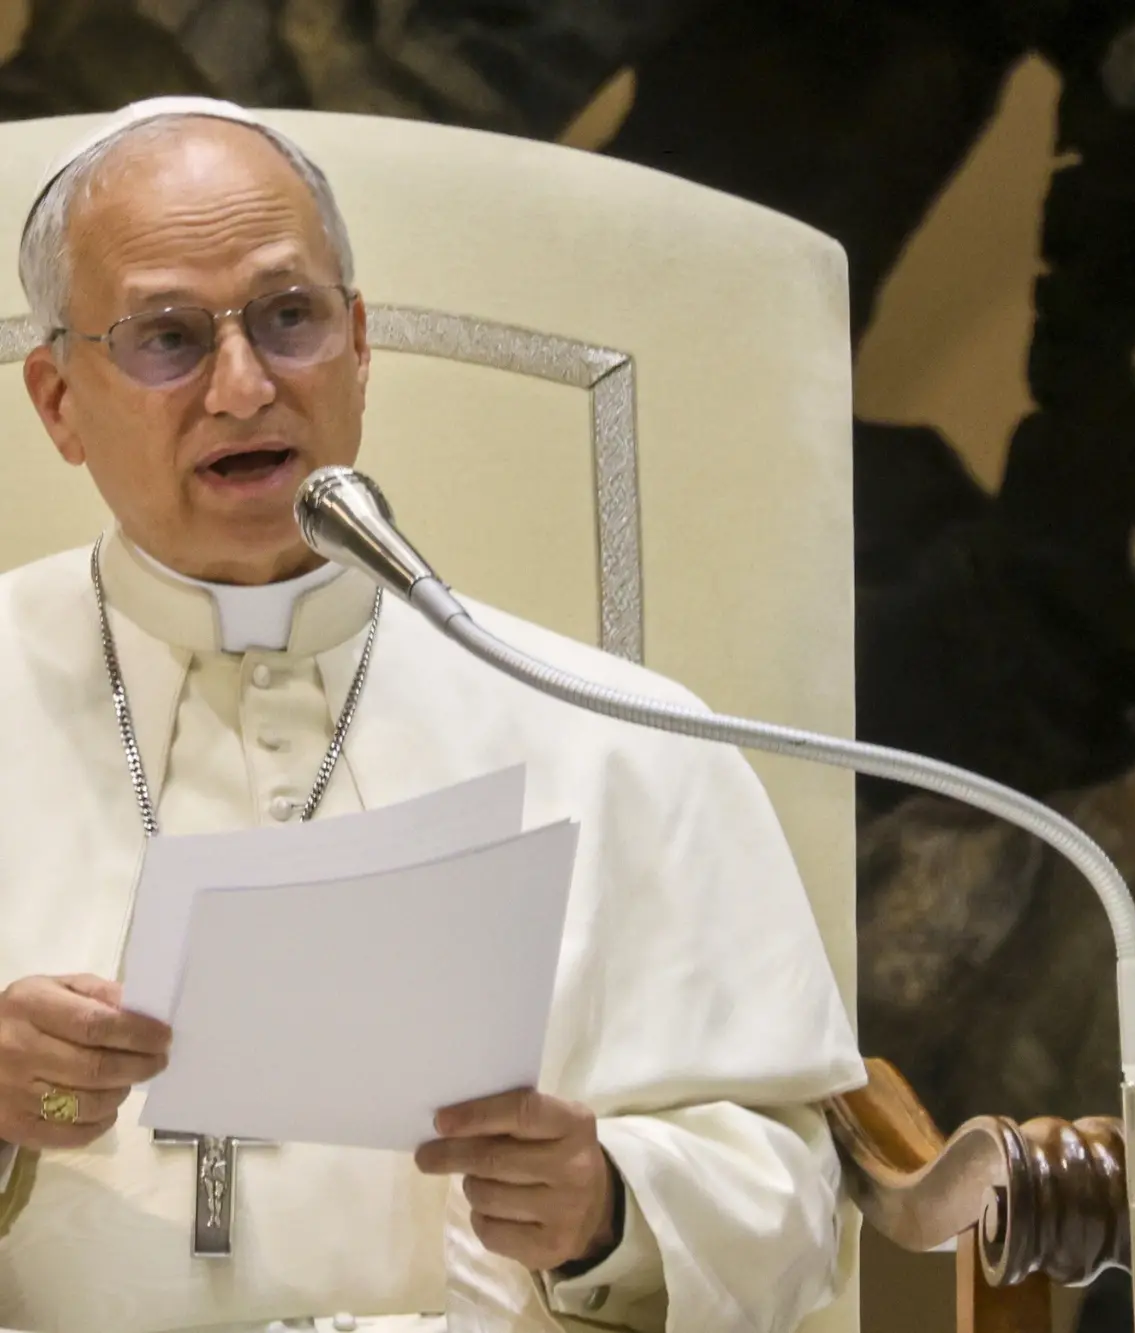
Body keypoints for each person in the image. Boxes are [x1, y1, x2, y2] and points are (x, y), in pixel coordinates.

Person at [0, 97, 865, 1333]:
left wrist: (606, 1208)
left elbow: (790, 1193)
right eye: (167, 337)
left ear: (359, 347)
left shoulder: (619, 735)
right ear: (59, 401)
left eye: (287, 318)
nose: (244, 388)